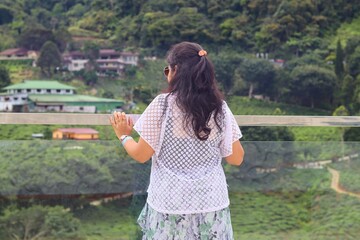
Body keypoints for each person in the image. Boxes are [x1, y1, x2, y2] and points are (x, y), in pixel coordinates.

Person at [110, 41, 245, 240]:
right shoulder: (219, 108)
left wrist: (123, 135)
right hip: (210, 202)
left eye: (168, 69)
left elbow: (141, 155)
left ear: (176, 71)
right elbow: (236, 158)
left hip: (169, 203)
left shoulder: (163, 105)